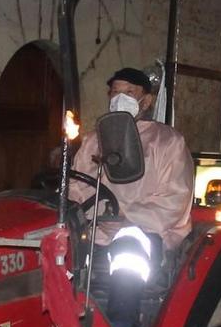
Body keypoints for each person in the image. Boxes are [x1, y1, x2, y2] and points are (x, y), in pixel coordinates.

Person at [68, 67, 194, 254]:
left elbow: (174, 200)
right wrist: (74, 214)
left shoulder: (167, 141)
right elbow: (76, 186)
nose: (120, 98)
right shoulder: (93, 140)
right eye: (116, 92)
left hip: (144, 236)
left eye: (129, 92)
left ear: (147, 101)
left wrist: (126, 219)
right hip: (91, 232)